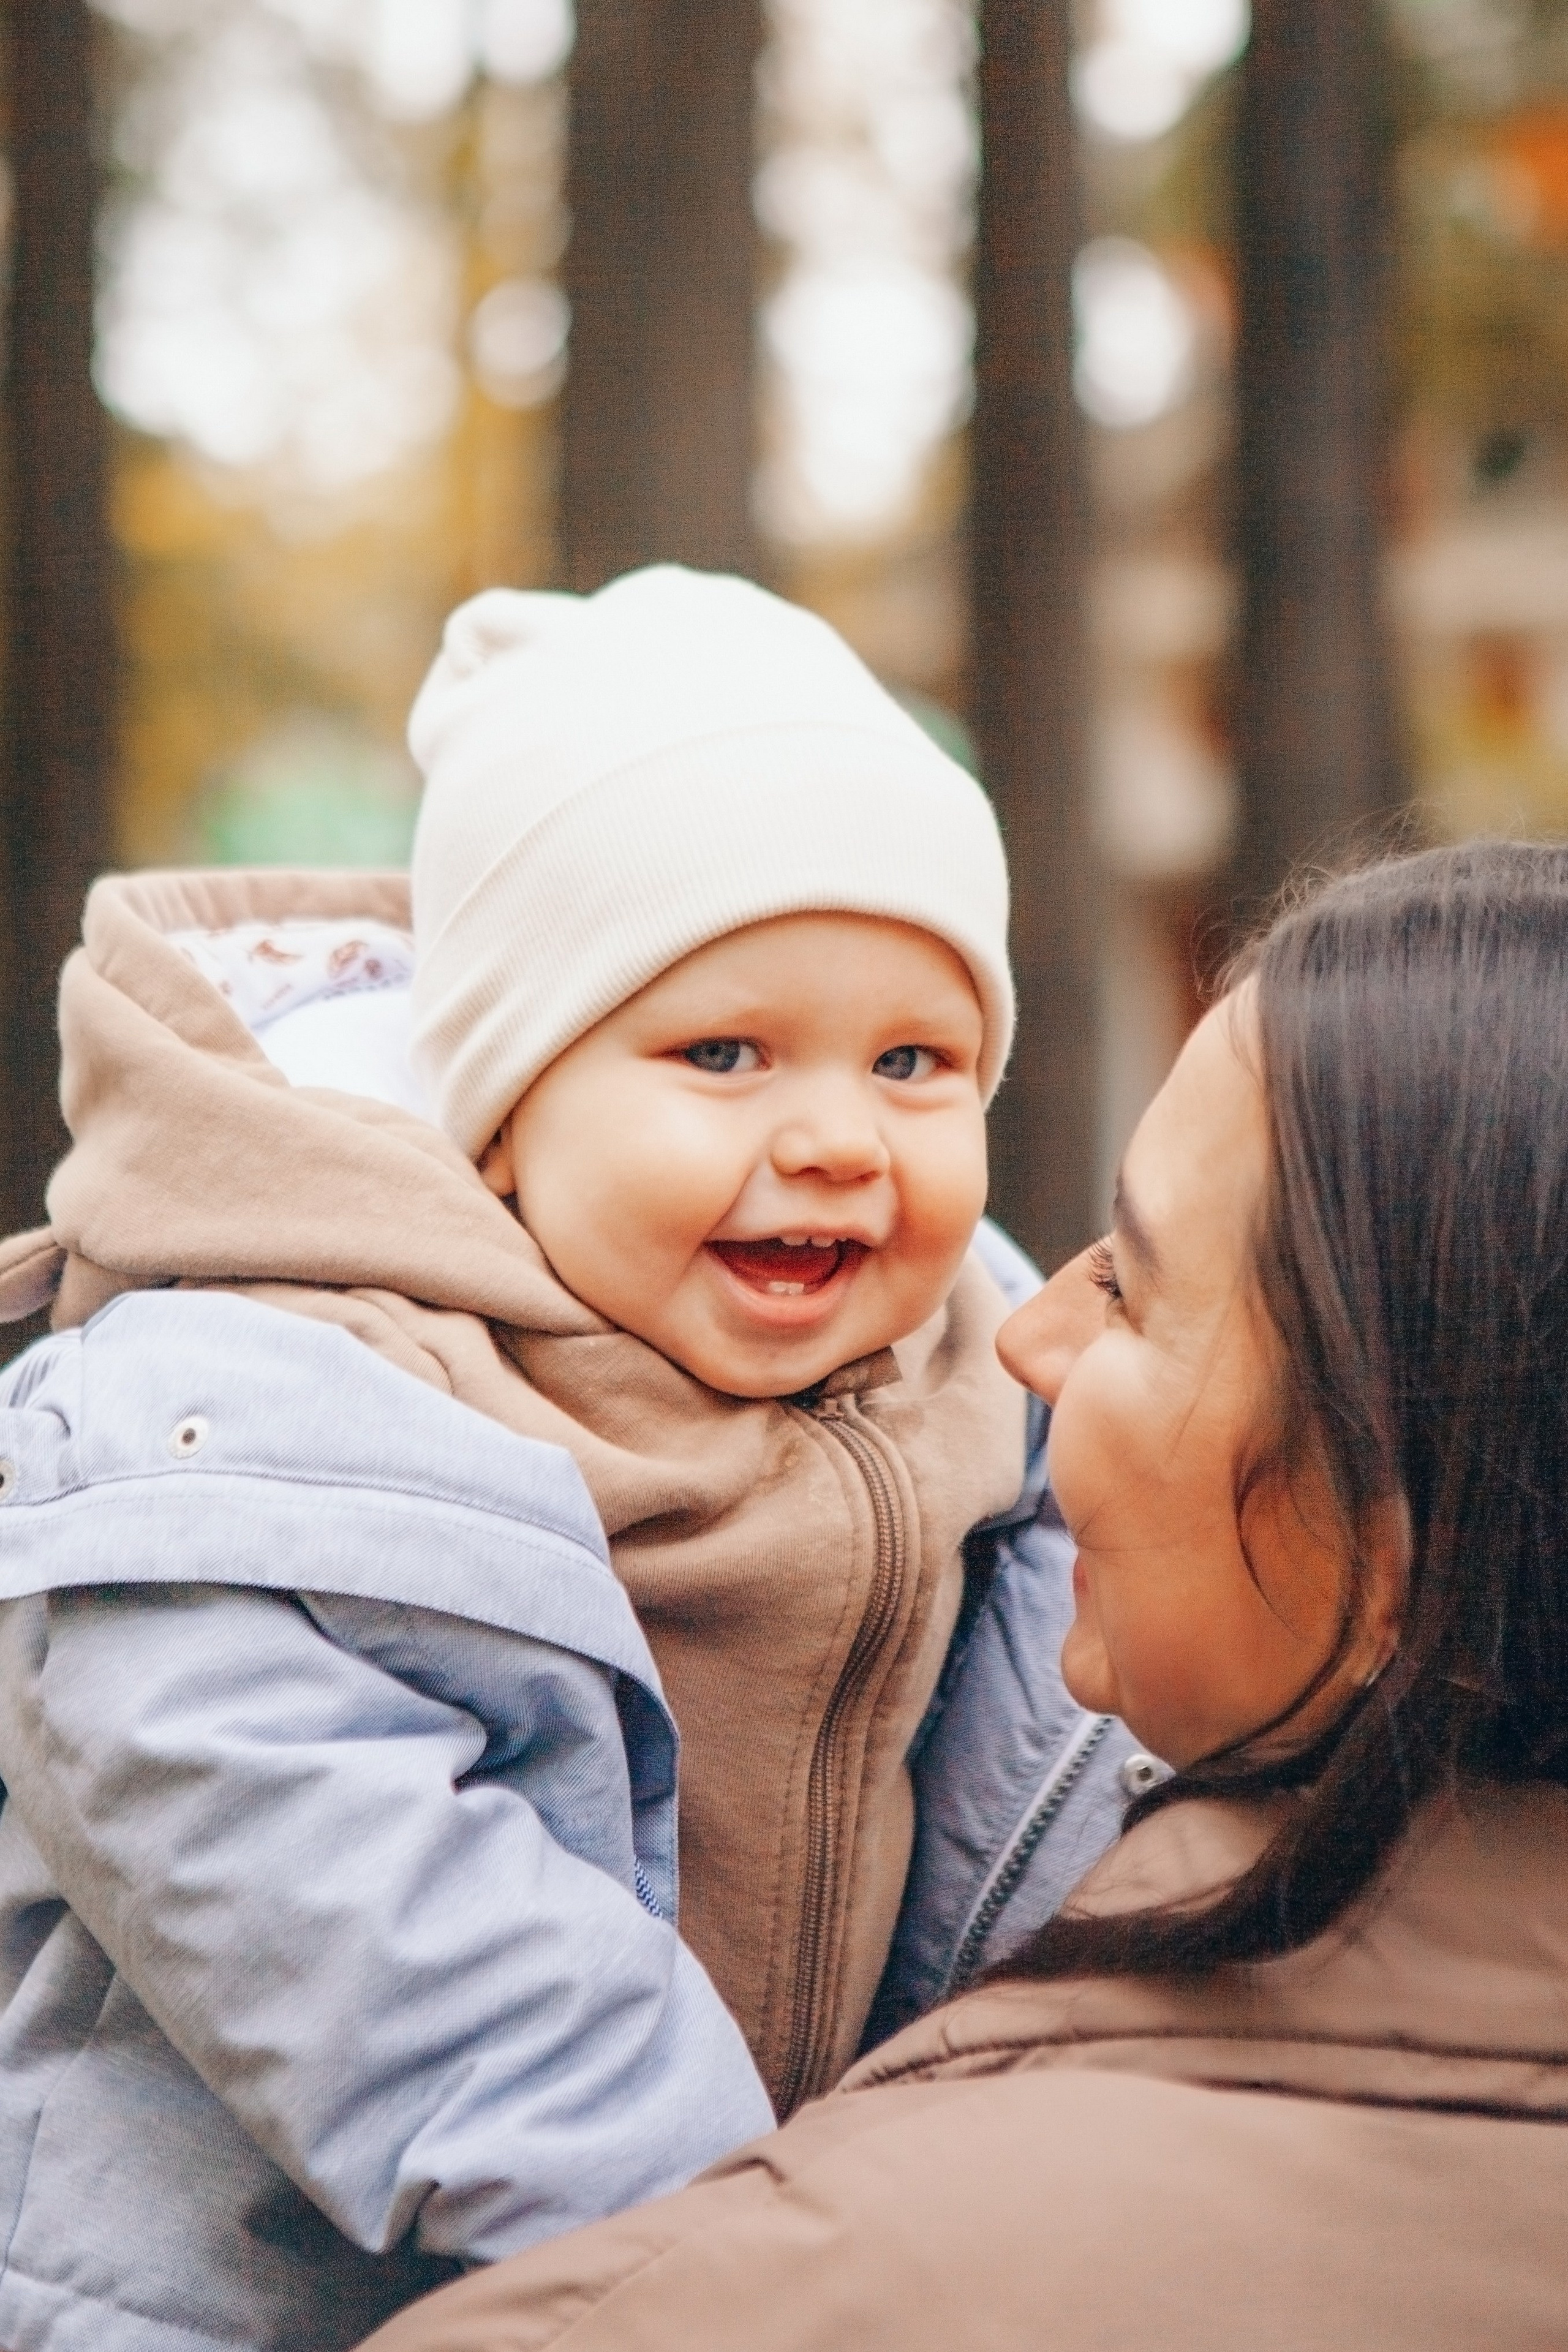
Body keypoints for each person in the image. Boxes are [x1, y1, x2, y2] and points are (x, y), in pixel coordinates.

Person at [0, 568, 1144, 2352]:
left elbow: (1074, 1757)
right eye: (725, 1053)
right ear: (507, 1113)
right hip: (270, 2305)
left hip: (795, 2266)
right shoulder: (272, 1410)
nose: (840, 1135)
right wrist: (744, 2253)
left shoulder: (981, 1390)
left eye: (916, 1059)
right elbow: (342, 1895)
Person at [355, 840, 1568, 2352]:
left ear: (1396, 1531)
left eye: (1129, 1286)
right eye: (720, 1054)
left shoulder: (759, 2299)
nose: (1024, 1340)